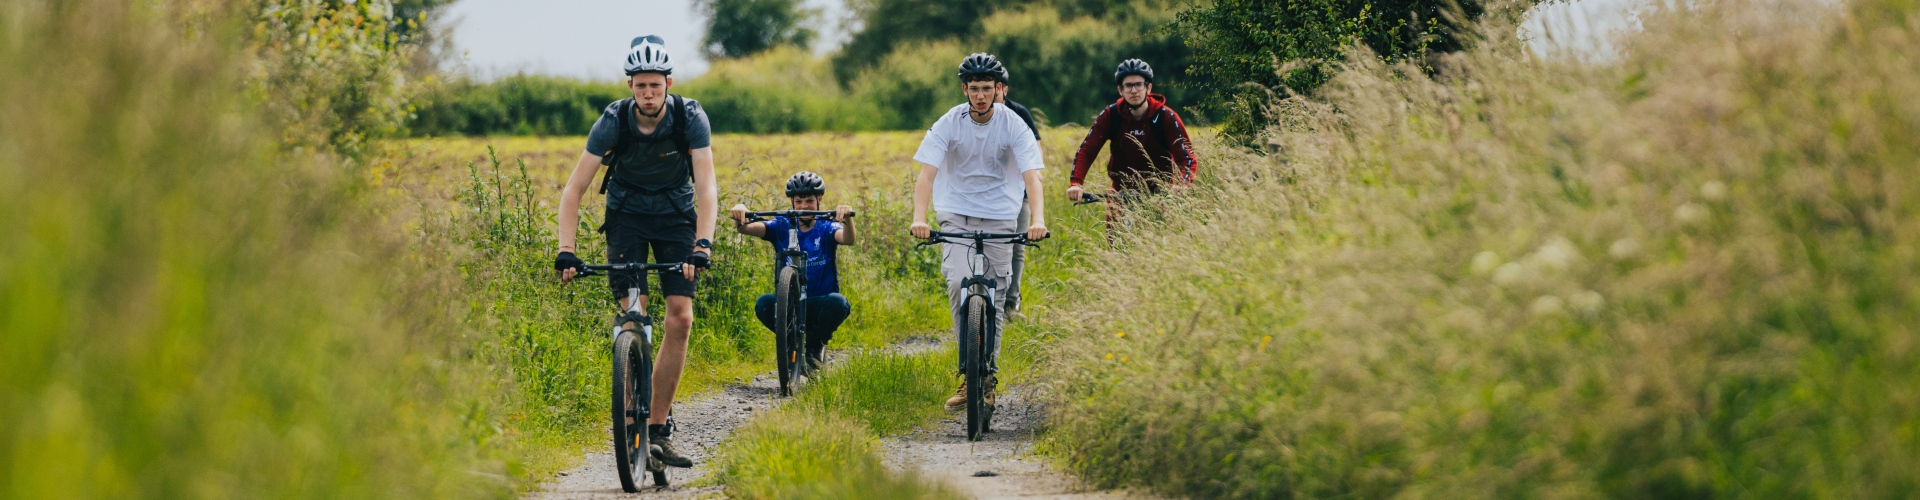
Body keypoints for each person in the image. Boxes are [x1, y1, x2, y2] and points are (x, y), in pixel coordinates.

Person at [552, 35, 716, 469]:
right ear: (630, 85)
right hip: (626, 216)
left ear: (668, 83)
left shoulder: (690, 117)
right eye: (641, 85)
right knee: (633, 313)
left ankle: (657, 429)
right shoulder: (613, 121)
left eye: (655, 86)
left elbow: (707, 186)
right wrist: (566, 250)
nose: (648, 93)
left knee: (679, 317)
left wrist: (702, 244)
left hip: (676, 216)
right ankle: (629, 408)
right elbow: (574, 190)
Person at [907, 53, 1049, 412]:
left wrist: (1037, 220)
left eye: (987, 88)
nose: (981, 95)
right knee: (958, 284)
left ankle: (988, 379)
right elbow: (927, 174)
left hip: (1001, 217)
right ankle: (966, 375)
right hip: (956, 215)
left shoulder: (1013, 123)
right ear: (965, 90)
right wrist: (920, 218)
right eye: (974, 89)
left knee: (995, 298)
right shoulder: (949, 122)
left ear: (998, 89)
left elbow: (1032, 176)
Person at [728, 172, 858, 369]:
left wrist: (848, 219)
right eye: (799, 201)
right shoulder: (781, 225)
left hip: (818, 303)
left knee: (839, 303)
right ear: (792, 202)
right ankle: (791, 345)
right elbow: (746, 228)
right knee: (763, 303)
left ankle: (814, 347)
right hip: (789, 303)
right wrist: (740, 211)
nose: (804, 206)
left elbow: (848, 239)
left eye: (809, 201)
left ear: (819, 199)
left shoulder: (827, 226)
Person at [1066, 59, 1199, 222]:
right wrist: (1076, 183)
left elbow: (1186, 157)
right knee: (1115, 245)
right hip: (1121, 194)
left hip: (1161, 195)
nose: (1134, 90)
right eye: (1128, 86)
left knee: (1158, 245)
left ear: (1148, 88)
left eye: (1139, 84)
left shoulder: (1166, 117)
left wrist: (1183, 185)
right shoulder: (1111, 115)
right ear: (1120, 90)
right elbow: (1086, 151)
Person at [994, 69, 1039, 316]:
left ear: (1003, 89)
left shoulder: (1019, 113)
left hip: (1019, 190)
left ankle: (1011, 302)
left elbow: (1035, 148)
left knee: (1016, 244)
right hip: (988, 192)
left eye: (995, 88)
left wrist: (1032, 177)